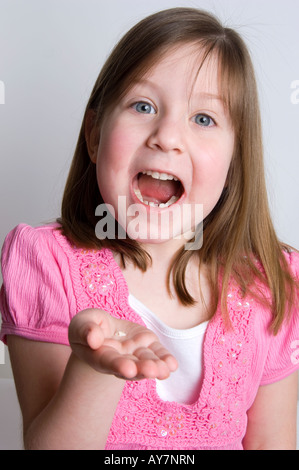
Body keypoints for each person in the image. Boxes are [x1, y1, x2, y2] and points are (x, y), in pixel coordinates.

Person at [0, 7, 299, 451]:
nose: (167, 136)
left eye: (204, 118)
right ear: (95, 134)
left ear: (235, 161)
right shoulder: (45, 263)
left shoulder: (270, 284)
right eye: (143, 106)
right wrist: (93, 369)